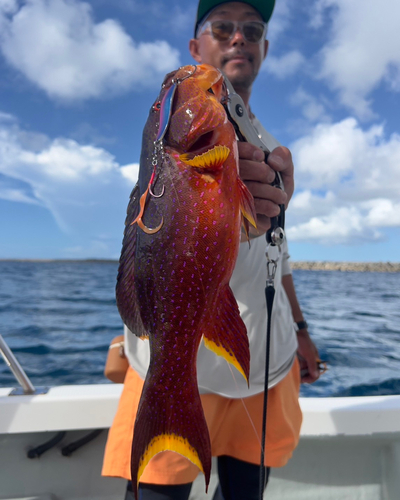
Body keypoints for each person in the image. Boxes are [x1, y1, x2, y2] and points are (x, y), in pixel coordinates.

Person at [102, 1, 321, 499]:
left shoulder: (272, 144)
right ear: (195, 46)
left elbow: (277, 251)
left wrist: (304, 331)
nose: (238, 38)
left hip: (267, 362)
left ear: (264, 48)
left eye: (252, 30)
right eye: (222, 28)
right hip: (170, 366)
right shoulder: (165, 133)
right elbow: (150, 202)